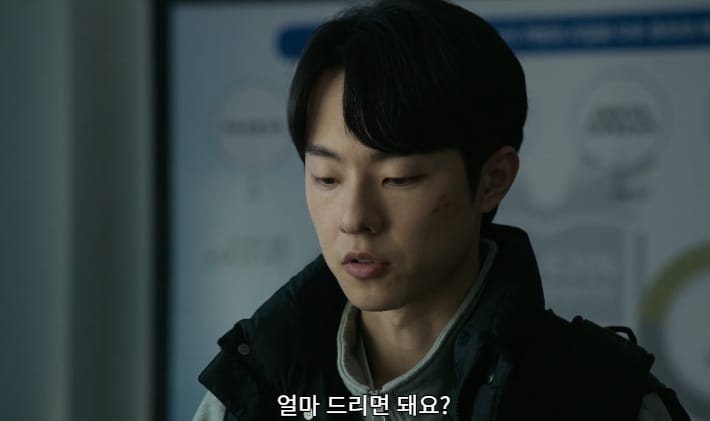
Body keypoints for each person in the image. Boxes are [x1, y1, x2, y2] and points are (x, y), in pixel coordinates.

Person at [192, 1, 689, 420]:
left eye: (397, 179)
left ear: (492, 179)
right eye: (327, 178)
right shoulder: (249, 395)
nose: (354, 217)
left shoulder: (603, 401)